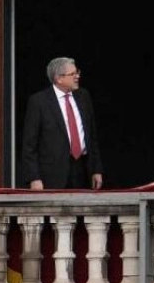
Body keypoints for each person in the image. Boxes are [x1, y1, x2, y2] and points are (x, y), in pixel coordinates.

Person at [21, 57, 104, 189]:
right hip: (52, 175)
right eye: (73, 74)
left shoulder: (83, 97)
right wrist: (34, 178)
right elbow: (29, 146)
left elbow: (92, 137)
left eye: (77, 72)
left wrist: (96, 169)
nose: (77, 76)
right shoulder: (39, 102)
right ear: (59, 78)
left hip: (82, 170)